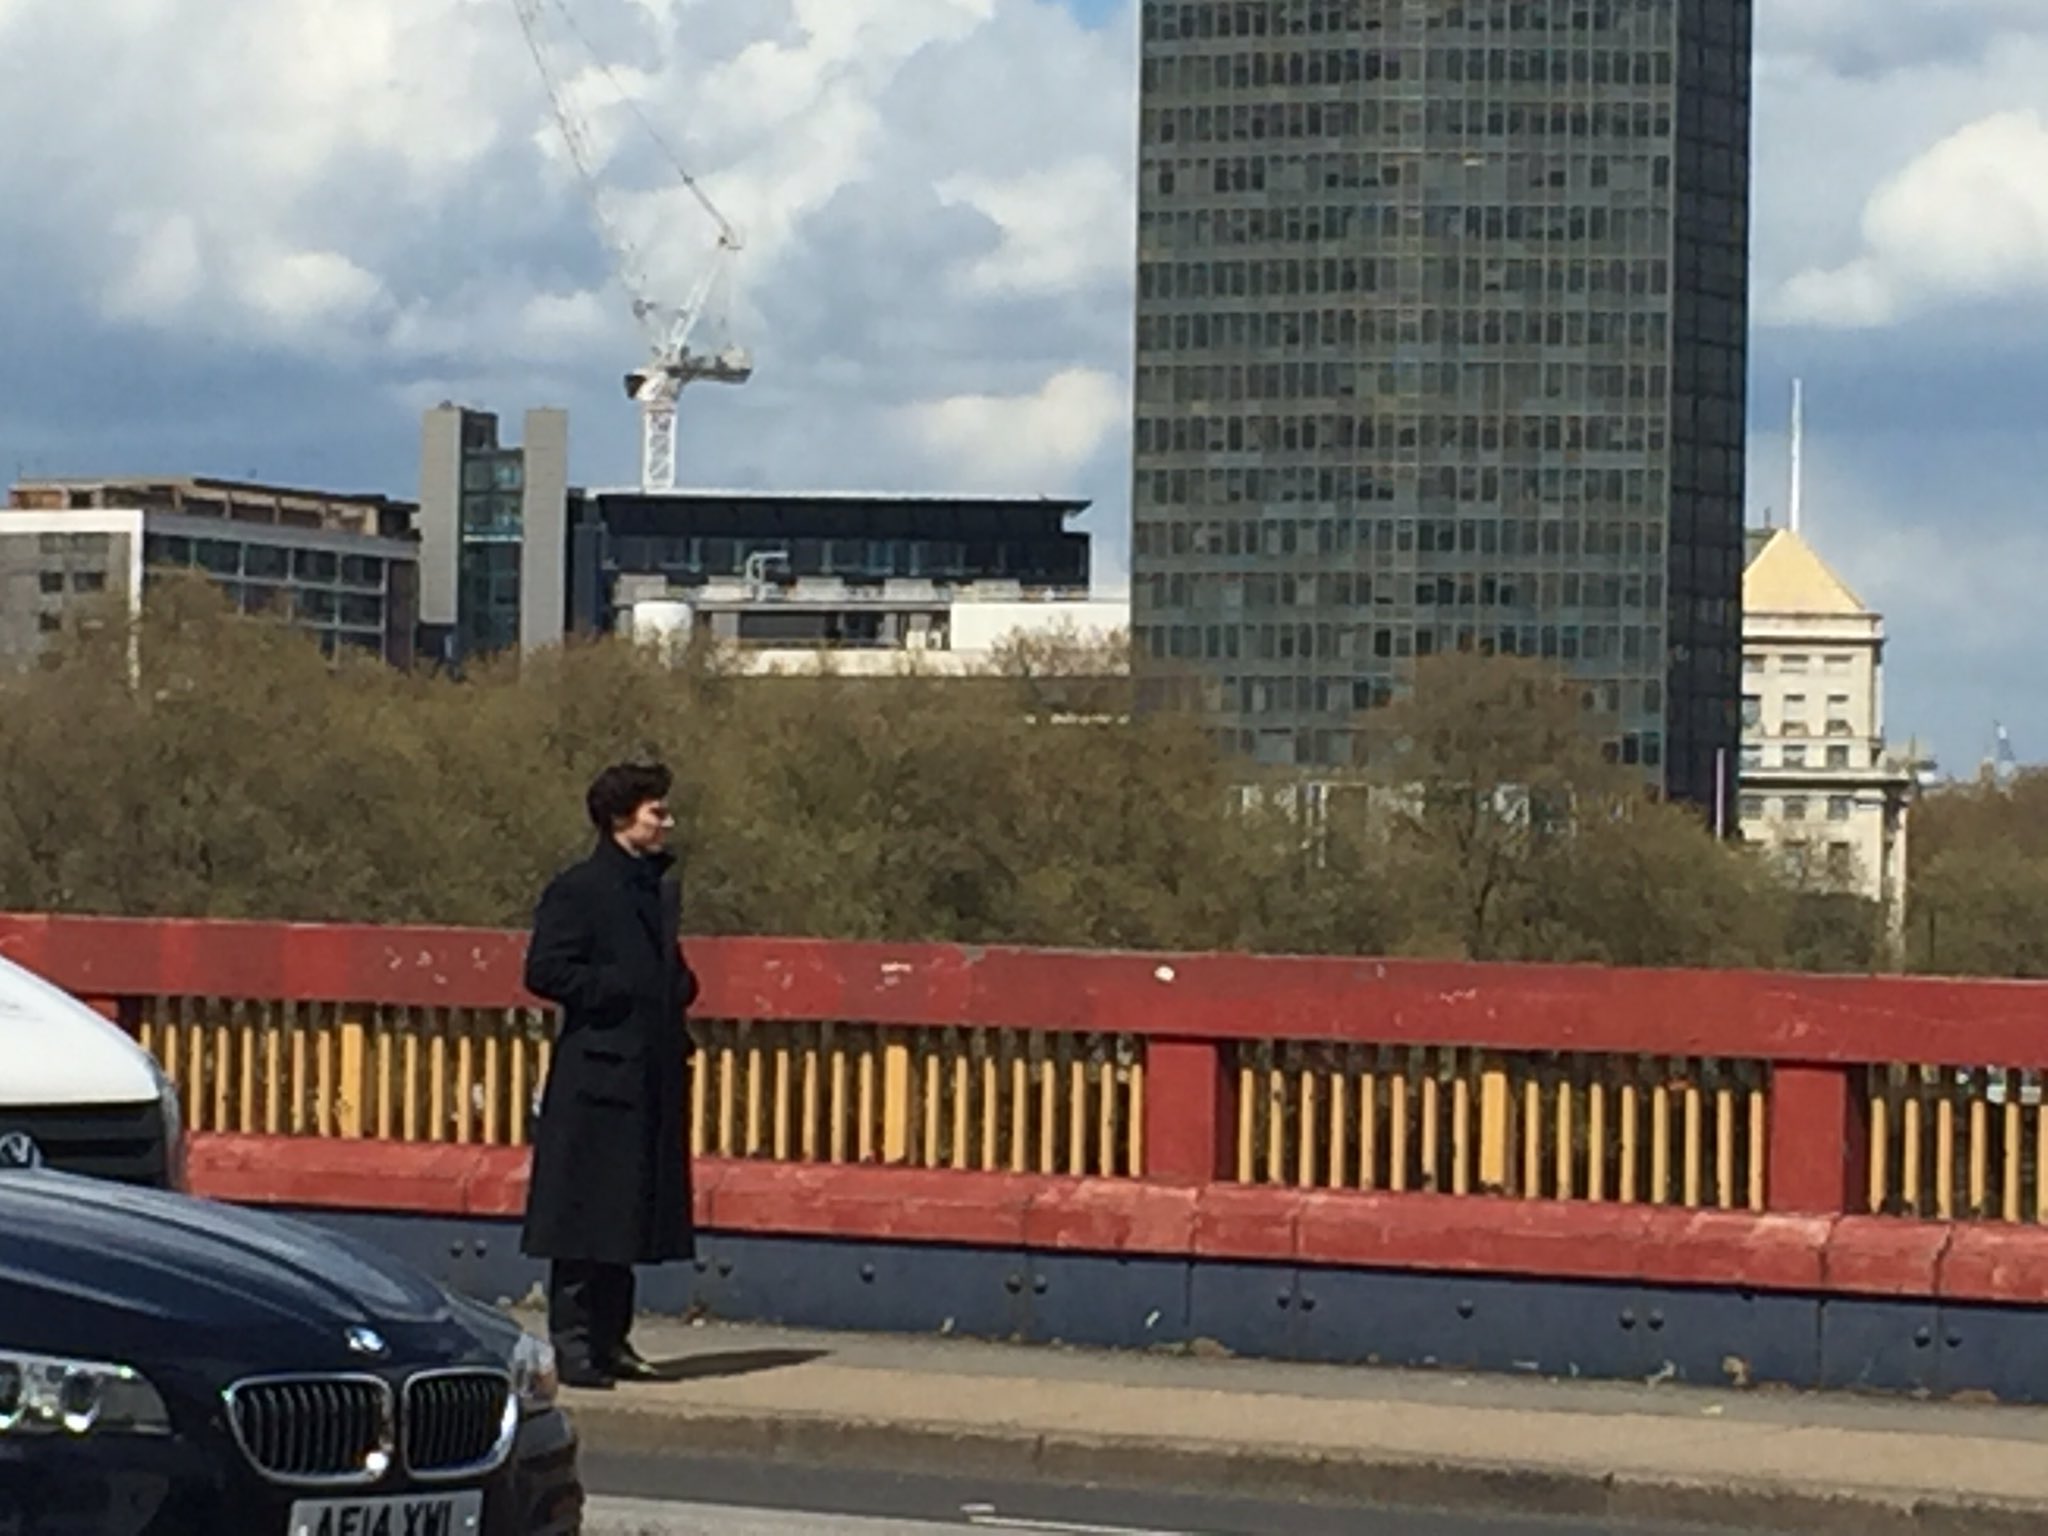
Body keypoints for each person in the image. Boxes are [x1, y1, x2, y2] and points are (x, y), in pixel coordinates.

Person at [521, 762, 698, 1389]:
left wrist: (679, 986)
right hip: (596, 1073)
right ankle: (573, 1345)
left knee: (627, 1214)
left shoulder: (655, 890)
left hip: (646, 1070)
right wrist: (617, 988)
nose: (667, 821)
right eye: (656, 811)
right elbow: (545, 970)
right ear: (623, 818)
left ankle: (613, 1339)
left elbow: (664, 967)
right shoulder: (580, 888)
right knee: (583, 1215)